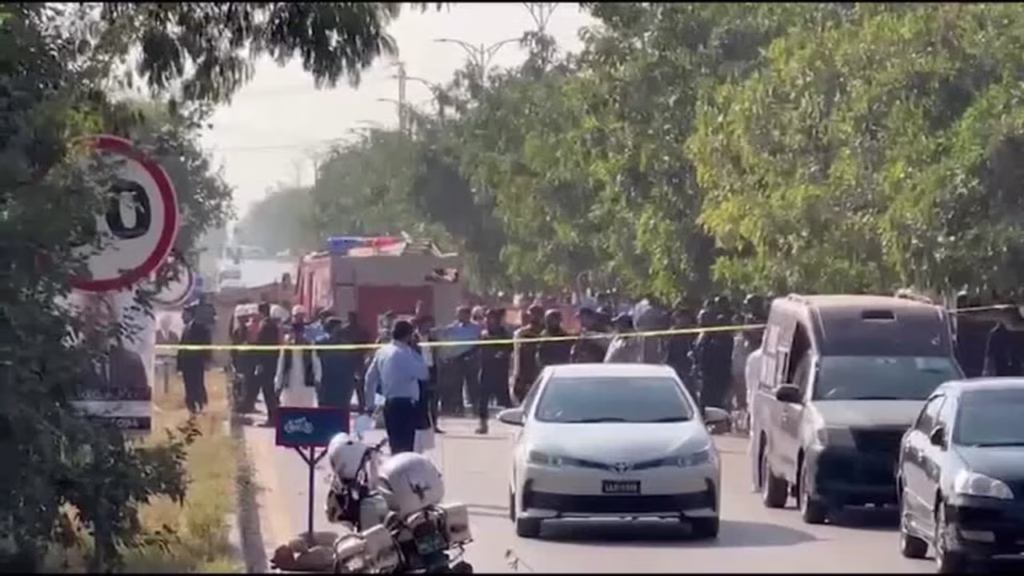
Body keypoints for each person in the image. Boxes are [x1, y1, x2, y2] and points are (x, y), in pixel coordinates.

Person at [363, 320, 428, 454]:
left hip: (390, 403)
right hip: (407, 404)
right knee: (406, 447)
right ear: (408, 336)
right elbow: (424, 374)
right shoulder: (407, 353)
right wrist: (417, 353)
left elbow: (370, 378)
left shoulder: (382, 351)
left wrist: (369, 404)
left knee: (395, 444)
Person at [316, 317, 360, 432]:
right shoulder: (320, 343)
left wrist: (352, 381)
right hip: (326, 383)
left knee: (342, 414)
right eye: (337, 328)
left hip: (343, 385)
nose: (340, 330)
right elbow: (315, 363)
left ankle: (342, 435)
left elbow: (352, 363)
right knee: (325, 412)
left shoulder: (346, 345)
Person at [437, 306, 482, 416]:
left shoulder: (476, 328)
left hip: (470, 359)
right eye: (458, 314)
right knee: (456, 385)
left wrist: (470, 354)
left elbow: (478, 343)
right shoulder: (454, 327)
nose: (459, 316)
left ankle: (476, 408)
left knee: (472, 385)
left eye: (461, 314)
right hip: (456, 360)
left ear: (468, 315)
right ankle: (458, 408)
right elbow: (444, 336)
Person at [275, 308, 322, 408]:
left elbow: (316, 363)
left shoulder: (309, 345)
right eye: (295, 333)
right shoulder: (287, 347)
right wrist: (278, 384)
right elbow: (281, 365)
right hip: (290, 385)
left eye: (299, 333)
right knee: (290, 409)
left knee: (306, 409)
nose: (297, 336)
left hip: (306, 385)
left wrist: (317, 379)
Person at [478, 308, 513, 434]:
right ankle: (483, 425)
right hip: (485, 369)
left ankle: (514, 423)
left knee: (505, 399)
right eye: (487, 318)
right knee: (483, 400)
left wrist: (501, 353)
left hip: (499, 371)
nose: (488, 320)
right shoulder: (483, 334)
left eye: (491, 318)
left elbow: (509, 348)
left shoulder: (504, 334)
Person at [253, 302, 283, 425]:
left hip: (266, 361)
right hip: (272, 359)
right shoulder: (273, 325)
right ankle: (273, 416)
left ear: (261, 312)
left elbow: (261, 345)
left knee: (268, 390)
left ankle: (272, 418)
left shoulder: (265, 326)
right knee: (270, 390)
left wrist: (259, 362)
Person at [178, 308, 212, 414]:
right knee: (188, 385)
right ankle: (191, 407)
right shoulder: (185, 329)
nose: (182, 317)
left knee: (197, 383)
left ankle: (200, 404)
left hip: (196, 361)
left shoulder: (200, 327)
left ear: (190, 314)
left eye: (184, 314)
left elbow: (206, 343)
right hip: (186, 362)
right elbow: (181, 347)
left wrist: (206, 358)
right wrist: (179, 364)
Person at [413, 314, 443, 434]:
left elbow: (437, 351)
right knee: (420, 398)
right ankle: (420, 424)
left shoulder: (432, 338)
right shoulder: (413, 338)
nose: (429, 327)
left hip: (431, 369)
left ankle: (434, 424)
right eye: (427, 324)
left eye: (431, 325)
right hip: (418, 369)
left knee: (434, 398)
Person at [511, 305, 545, 404]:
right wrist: (516, 375)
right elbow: (517, 355)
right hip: (525, 373)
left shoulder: (546, 333)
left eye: (537, 315)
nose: (534, 317)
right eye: (532, 314)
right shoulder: (521, 333)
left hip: (541, 371)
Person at [667, 307, 697, 397]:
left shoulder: (692, 331)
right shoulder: (672, 332)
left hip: (688, 362)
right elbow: (667, 347)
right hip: (675, 361)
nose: (684, 320)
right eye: (681, 318)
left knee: (689, 387)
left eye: (686, 318)